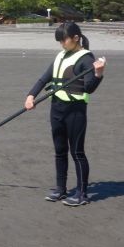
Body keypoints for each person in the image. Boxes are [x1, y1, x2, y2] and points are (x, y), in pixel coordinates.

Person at [24, 22, 106, 207]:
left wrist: (98, 74)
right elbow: (45, 78)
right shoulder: (61, 55)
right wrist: (31, 96)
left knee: (77, 152)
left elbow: (89, 88)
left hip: (75, 110)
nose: (61, 43)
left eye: (64, 39)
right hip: (57, 109)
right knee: (60, 151)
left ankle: (82, 193)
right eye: (59, 40)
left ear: (76, 38)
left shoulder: (86, 58)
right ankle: (61, 189)